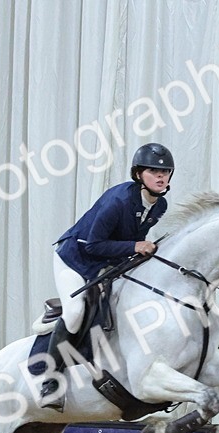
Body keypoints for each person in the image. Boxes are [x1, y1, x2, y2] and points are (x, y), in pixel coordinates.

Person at [39, 143, 175, 409]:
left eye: (166, 171)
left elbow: (130, 238)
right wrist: (135, 246)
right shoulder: (118, 201)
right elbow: (92, 245)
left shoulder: (160, 206)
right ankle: (51, 381)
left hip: (106, 260)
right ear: (138, 175)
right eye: (153, 171)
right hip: (75, 260)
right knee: (76, 312)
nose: (161, 176)